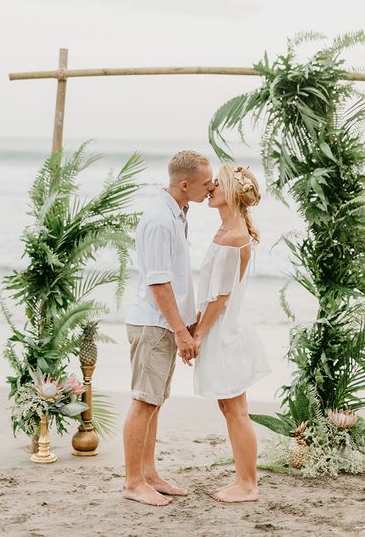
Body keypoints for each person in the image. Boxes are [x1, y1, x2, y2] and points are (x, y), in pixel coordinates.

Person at [123, 150, 215, 506]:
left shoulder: (178, 213)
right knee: (144, 403)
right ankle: (133, 482)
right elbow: (158, 283)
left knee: (155, 403)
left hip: (164, 323)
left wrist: (186, 322)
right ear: (185, 183)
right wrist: (180, 331)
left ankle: (149, 474)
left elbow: (174, 279)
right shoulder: (161, 220)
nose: (211, 188)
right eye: (206, 183)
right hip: (153, 324)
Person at [192, 163, 270, 503]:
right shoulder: (226, 230)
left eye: (217, 186)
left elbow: (220, 296)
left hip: (226, 333)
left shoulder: (234, 235)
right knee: (229, 407)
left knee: (236, 409)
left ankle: (248, 484)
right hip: (221, 328)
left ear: (233, 194)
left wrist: (197, 334)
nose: (210, 189)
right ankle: (242, 479)